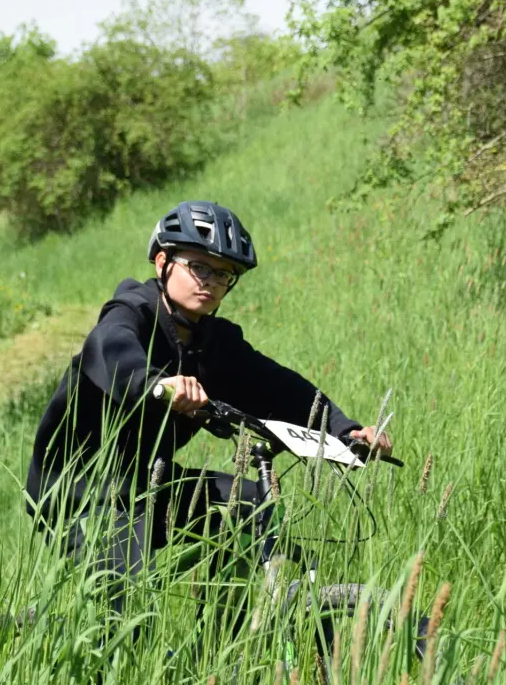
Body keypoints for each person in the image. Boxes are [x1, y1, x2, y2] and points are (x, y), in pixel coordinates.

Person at [25, 200, 391, 624]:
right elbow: (113, 351)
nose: (212, 282)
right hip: (77, 488)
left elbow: (280, 387)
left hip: (145, 481)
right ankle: (113, 674)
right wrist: (158, 384)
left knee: (251, 502)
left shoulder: (213, 343)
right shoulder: (132, 313)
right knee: (125, 617)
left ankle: (218, 645)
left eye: (224, 274)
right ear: (162, 262)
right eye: (199, 267)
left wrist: (346, 431)